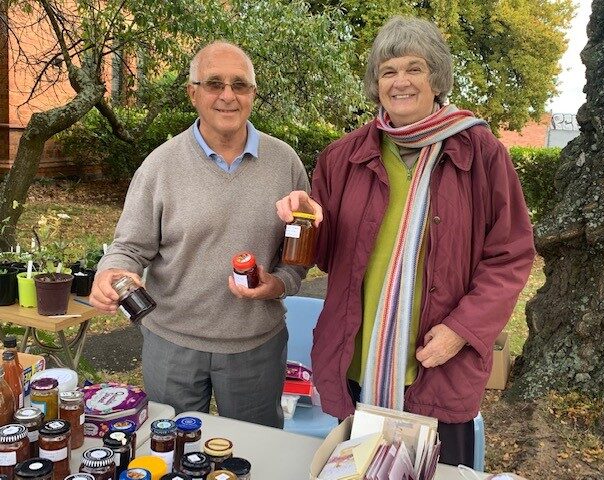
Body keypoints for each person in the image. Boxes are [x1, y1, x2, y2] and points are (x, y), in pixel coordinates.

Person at [276, 17, 535, 466]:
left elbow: (510, 255)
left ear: (436, 77)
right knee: (356, 471)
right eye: (388, 71)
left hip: (437, 366)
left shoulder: (480, 152)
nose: (401, 82)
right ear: (375, 84)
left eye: (414, 68)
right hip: (356, 362)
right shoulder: (344, 156)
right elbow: (328, 257)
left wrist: (462, 331)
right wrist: (308, 219)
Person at [90, 41, 309, 428]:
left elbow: (299, 255)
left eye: (240, 85)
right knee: (172, 452)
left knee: (254, 456)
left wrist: (276, 284)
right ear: (193, 93)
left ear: (253, 95)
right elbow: (128, 248)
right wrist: (110, 273)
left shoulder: (285, 163)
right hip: (172, 345)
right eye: (214, 83)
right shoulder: (160, 165)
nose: (228, 95)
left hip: (255, 346)